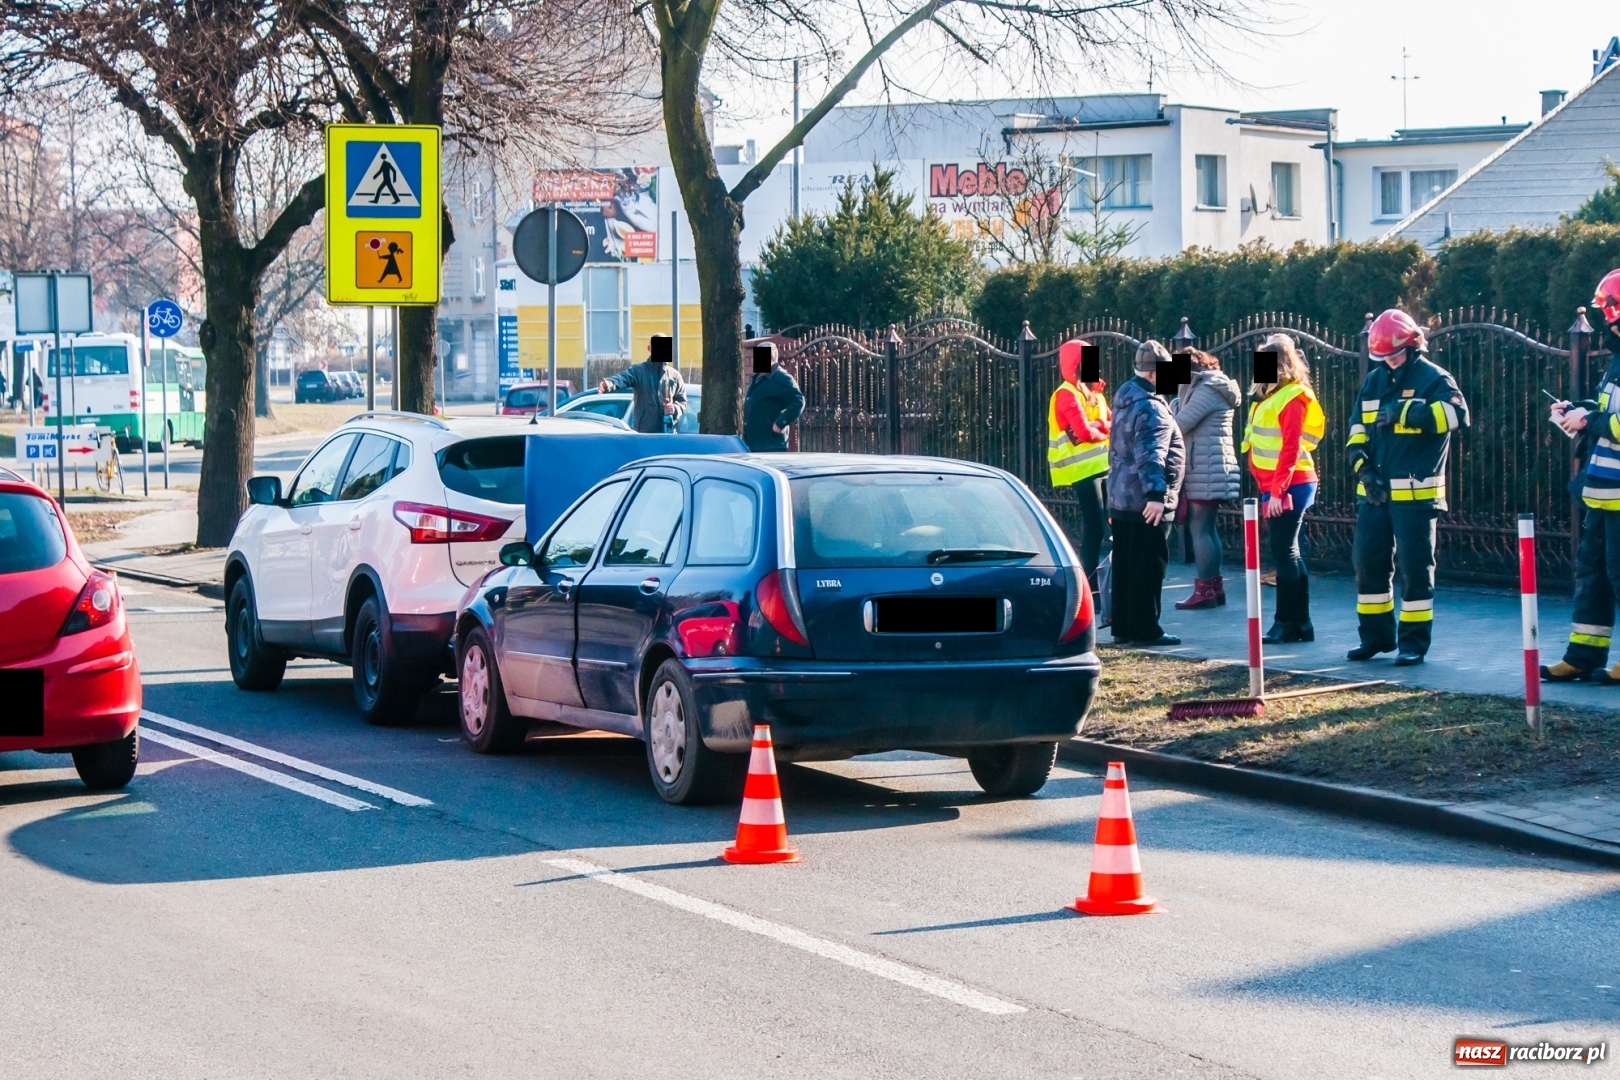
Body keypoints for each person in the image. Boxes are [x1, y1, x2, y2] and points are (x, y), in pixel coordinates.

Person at [1345, 308, 1471, 665]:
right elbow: (1356, 432)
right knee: (1367, 565)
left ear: (1414, 346)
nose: (1390, 361)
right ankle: (1375, 638)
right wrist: (1364, 472)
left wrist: (1405, 413)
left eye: (1396, 354)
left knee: (1416, 571)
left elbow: (1458, 416)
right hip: (1374, 496)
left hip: (1417, 497)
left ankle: (1413, 643)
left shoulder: (1435, 378)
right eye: (1384, 356)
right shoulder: (1374, 381)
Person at [1543, 269, 1620, 683]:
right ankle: (1582, 657)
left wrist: (1589, 420)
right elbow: (1610, 414)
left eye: (1610, 312)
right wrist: (1579, 411)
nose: (1608, 322)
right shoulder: (1617, 360)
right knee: (1593, 576)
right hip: (1604, 493)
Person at [1243, 334, 1325, 642]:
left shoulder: (1291, 397)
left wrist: (1278, 491)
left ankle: (1285, 623)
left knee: (1284, 552)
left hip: (1290, 485)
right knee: (1290, 552)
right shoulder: (1273, 396)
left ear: (1279, 365)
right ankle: (1301, 624)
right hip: (1283, 483)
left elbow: (1290, 447)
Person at [1107, 340, 1187, 647]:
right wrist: (1156, 496)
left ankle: (1123, 627)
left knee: (1125, 567)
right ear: (1154, 373)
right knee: (1149, 567)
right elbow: (1151, 454)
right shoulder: (1153, 408)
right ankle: (1145, 629)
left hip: (1121, 496)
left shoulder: (1125, 397)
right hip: (1145, 500)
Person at [1170, 349, 1240, 610]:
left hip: (1205, 466)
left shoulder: (1207, 389)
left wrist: (1171, 406)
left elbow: (1179, 424)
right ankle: (1214, 588)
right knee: (1207, 528)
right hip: (1209, 464)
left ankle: (1205, 591)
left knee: (1199, 528)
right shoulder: (1210, 386)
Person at [1047, 338, 1111, 595]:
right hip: (1082, 471)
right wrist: (1101, 427)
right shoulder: (1066, 394)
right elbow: (1083, 433)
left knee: (1105, 527)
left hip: (1103, 466)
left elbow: (1112, 422)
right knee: (1094, 529)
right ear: (1076, 364)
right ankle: (1090, 588)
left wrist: (1099, 426)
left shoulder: (1095, 392)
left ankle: (1098, 586)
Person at [599, 334, 687, 433]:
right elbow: (624, 378)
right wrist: (610, 383)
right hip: (644, 433)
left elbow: (682, 402)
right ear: (649, 349)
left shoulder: (675, 376)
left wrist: (674, 409)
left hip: (668, 433)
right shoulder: (639, 371)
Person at [742, 342, 805, 452]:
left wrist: (780, 423)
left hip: (771, 444)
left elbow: (798, 401)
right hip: (753, 443)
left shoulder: (782, 378)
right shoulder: (757, 378)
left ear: (772, 358)